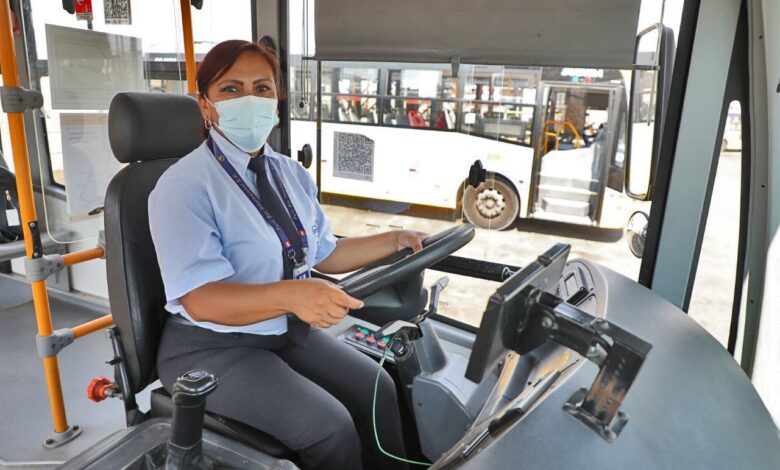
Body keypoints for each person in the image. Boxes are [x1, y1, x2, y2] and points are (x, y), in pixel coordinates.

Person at [148, 39, 427, 470]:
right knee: (329, 426)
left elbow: (325, 253)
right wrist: (293, 296)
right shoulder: (182, 186)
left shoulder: (288, 173)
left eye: (261, 88)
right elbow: (200, 299)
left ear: (277, 99)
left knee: (380, 387)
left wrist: (395, 239)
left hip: (283, 333)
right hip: (209, 348)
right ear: (205, 105)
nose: (249, 100)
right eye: (231, 89)